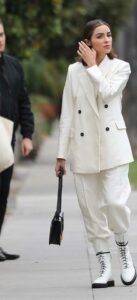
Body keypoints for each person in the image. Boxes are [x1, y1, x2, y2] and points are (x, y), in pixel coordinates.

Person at [55, 19, 137, 288]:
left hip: (114, 147)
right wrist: (61, 155)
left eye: (109, 35)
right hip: (84, 150)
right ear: (87, 42)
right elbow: (67, 114)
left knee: (114, 203)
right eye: (100, 36)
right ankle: (105, 267)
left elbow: (107, 93)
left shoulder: (120, 67)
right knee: (91, 213)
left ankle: (124, 250)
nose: (107, 40)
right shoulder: (72, 72)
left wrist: (92, 67)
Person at [0, 19, 34, 261]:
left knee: (2, 194)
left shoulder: (14, 65)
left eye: (1, 34)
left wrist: (28, 135)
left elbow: (24, 102)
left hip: (7, 140)